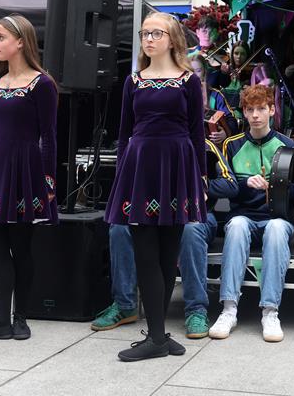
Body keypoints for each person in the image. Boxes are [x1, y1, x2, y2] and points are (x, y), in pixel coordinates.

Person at [103, 12, 206, 361]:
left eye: (156, 33)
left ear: (172, 39)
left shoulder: (189, 81)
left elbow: (197, 133)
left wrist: (199, 180)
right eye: (144, 33)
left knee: (166, 256)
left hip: (176, 168)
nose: (148, 39)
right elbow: (123, 133)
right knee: (146, 253)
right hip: (141, 169)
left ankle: (157, 335)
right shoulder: (134, 81)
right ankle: (159, 336)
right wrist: (122, 177)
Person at [0, 14, 58, 341]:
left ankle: (21, 316)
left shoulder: (42, 83)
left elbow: (48, 136)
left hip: (27, 170)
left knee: (22, 247)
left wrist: (48, 182)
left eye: (1, 37)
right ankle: (1, 318)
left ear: (21, 41)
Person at [91, 139, 236, 341]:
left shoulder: (203, 145)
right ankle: (125, 306)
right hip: (153, 214)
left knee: (190, 231)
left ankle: (196, 310)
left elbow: (231, 184)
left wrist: (201, 186)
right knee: (120, 227)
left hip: (195, 214)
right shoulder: (144, 144)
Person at [208, 84, 294, 343]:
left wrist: (276, 188)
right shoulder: (231, 145)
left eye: (261, 108)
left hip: (278, 218)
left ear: (272, 110)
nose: (256, 115)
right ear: (244, 113)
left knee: (275, 229)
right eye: (250, 110)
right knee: (236, 225)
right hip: (244, 216)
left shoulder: (288, 145)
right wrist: (244, 184)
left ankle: (270, 311)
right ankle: (228, 309)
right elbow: (224, 187)